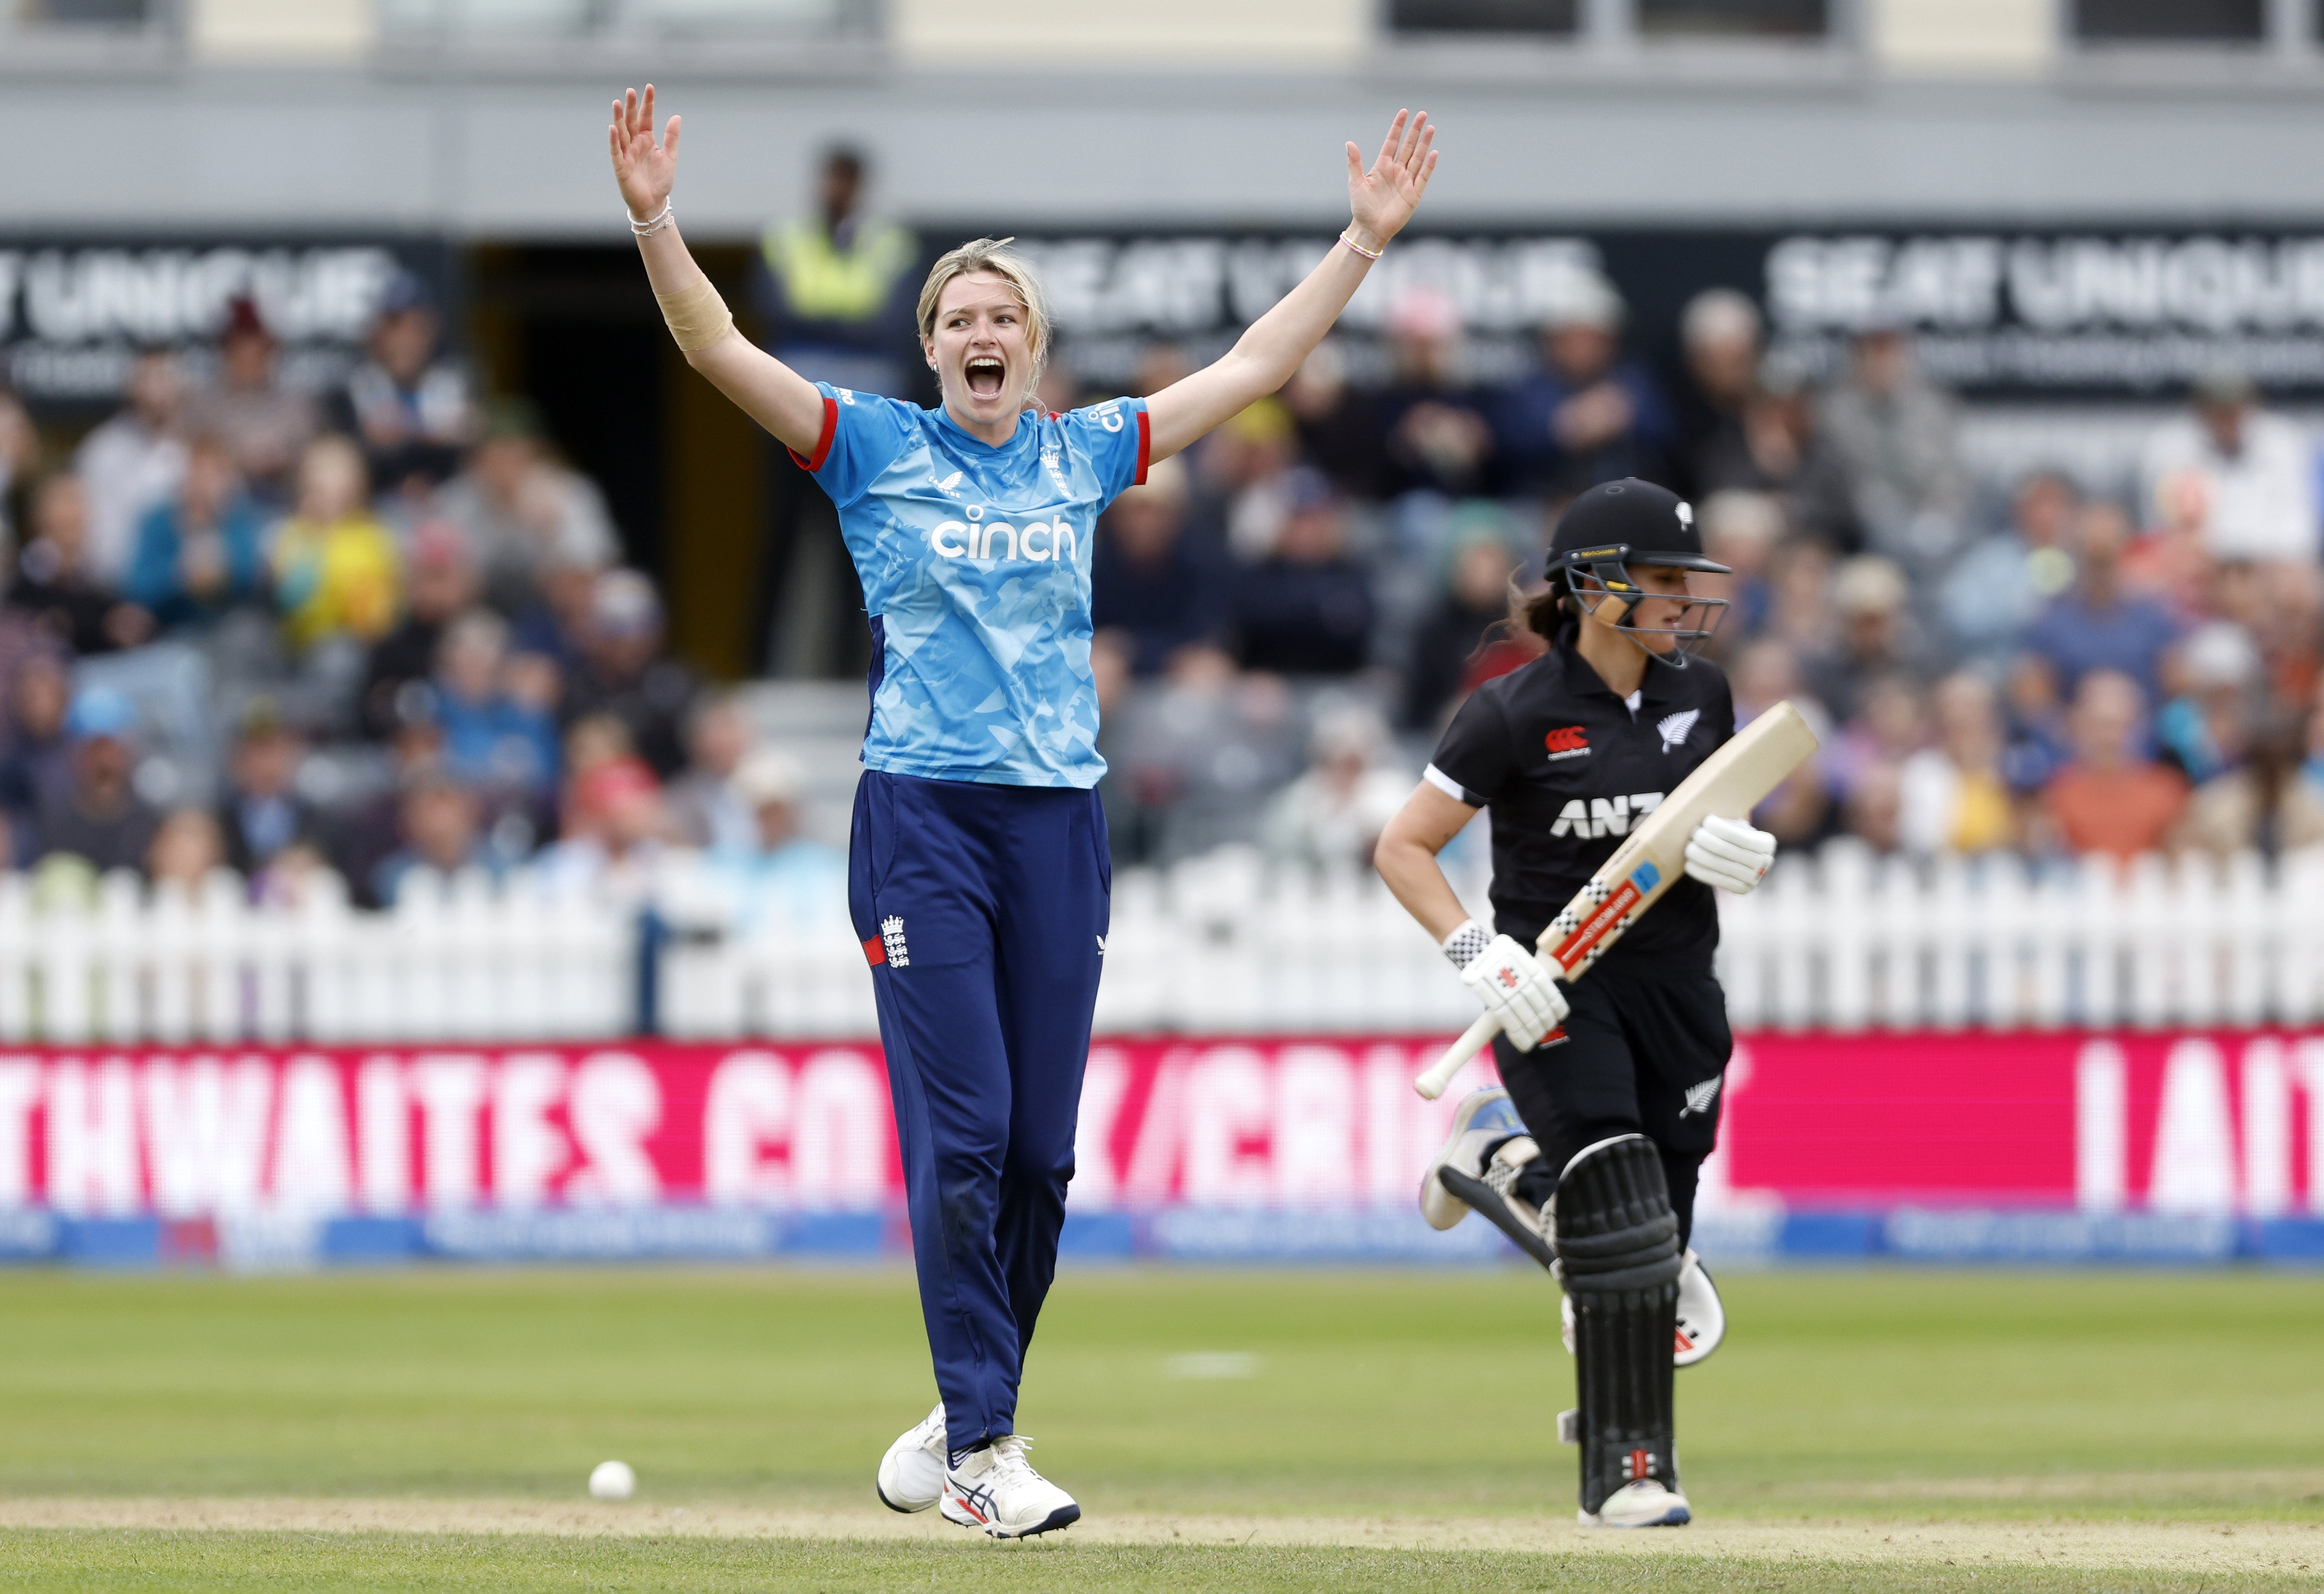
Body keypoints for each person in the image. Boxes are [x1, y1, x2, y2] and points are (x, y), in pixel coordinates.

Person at [610, 83, 1436, 1537]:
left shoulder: (1079, 453)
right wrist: (657, 222)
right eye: (957, 322)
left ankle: (961, 1409)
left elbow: (1249, 368)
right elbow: (714, 345)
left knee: (1046, 1158)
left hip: (1059, 820)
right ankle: (988, 1453)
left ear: (1031, 351)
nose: (980, 337)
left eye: (1002, 320)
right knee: (971, 1132)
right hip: (920, 818)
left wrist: (1360, 247)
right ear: (930, 350)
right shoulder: (869, 446)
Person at [1373, 479, 1766, 1531]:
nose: (1685, 599)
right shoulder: (1510, 711)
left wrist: (1739, 848)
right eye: (1663, 578)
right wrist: (1476, 954)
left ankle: (1494, 1163)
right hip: (1553, 992)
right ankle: (1625, 1470)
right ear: (1595, 585)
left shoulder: (1705, 697)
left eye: (1691, 579)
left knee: (1659, 1240)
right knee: (1618, 1217)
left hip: (1679, 991)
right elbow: (1400, 846)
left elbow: (1699, 825)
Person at [1493, 270, 1676, 500]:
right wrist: (1567, 427)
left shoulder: (1633, 379)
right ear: (1553, 340)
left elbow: (1664, 431)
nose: (1583, 347)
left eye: (1593, 337)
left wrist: (1622, 416)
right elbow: (1507, 445)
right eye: (1573, 336)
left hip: (1625, 498)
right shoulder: (1530, 387)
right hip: (1543, 501)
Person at [2139, 366, 2317, 566]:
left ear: (2252, 406)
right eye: (2218, 410)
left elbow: (2299, 535)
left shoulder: (2284, 443)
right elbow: (2163, 533)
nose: (2226, 419)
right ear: (2200, 410)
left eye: (2234, 409)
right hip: (2201, 570)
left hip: (2269, 570)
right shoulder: (2169, 448)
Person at [327, 272, 478, 496]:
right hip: (376, 502)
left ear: (431, 328)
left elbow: (470, 436)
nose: (404, 339)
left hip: (447, 502)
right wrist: (429, 432)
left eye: (414, 326)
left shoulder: (456, 380)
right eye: (394, 325)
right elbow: (358, 446)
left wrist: (407, 431)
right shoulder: (354, 385)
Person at [1226, 468, 1375, 677]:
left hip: (1338, 681)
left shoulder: (1351, 573)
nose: (1307, 530)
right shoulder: (1258, 574)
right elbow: (1256, 626)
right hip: (1267, 681)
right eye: (1299, 519)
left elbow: (1354, 632)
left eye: (1316, 518)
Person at [122, 434, 270, 632]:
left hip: (227, 625)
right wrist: (180, 576)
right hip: (172, 627)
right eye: (200, 473)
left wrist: (225, 570)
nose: (206, 484)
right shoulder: (158, 521)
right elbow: (139, 585)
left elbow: (253, 571)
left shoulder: (239, 518)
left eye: (216, 474)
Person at [270, 435, 403, 654]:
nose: (327, 496)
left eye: (336, 483)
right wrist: (313, 538)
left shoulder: (374, 537)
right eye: (319, 486)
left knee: (338, 654)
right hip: (293, 641)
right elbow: (290, 599)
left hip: (349, 645)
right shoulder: (293, 533)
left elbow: (379, 616)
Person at [2039, 669, 2187, 860]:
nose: (2109, 738)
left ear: (2139, 726)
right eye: (2098, 725)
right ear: (2077, 725)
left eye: (2120, 725)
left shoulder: (2168, 790)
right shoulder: (2055, 791)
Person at [183, 296, 317, 504]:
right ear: (226, 348)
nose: (248, 353)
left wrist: (280, 459)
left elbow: (314, 460)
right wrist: (237, 458)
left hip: (287, 510)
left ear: (270, 348)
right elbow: (184, 462)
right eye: (239, 344)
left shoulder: (295, 404)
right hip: (222, 516)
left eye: (256, 343)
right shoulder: (202, 405)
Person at [74, 349, 188, 585]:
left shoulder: (194, 449)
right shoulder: (102, 449)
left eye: (165, 378)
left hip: (179, 589)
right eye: (149, 380)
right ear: (132, 387)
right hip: (110, 585)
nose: (157, 392)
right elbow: (92, 527)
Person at [7, 474, 152, 656]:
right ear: (41, 518)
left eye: (78, 504)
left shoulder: (95, 576)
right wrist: (105, 625)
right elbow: (53, 624)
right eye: (66, 504)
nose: (75, 513)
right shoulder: (28, 579)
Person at [34, 686, 161, 874]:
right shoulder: (52, 823)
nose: (104, 762)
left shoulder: (151, 826)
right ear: (75, 755)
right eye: (94, 750)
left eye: (112, 749)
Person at [214, 703, 319, 877]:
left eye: (276, 750)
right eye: (257, 751)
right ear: (237, 758)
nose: (267, 763)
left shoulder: (317, 821)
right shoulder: (218, 821)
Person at [664, 690, 757, 853]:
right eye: (718, 732)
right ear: (696, 740)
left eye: (731, 729)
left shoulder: (769, 787)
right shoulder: (679, 797)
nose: (726, 740)